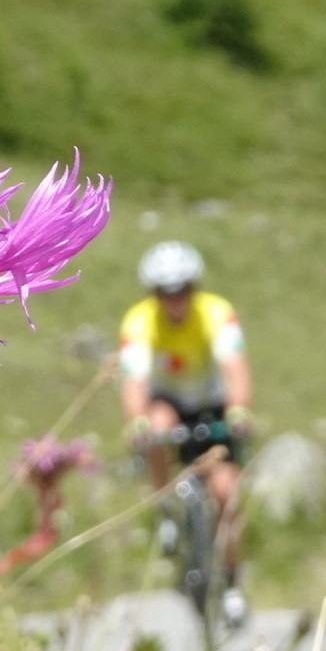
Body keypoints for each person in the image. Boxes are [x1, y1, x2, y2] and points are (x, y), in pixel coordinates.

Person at [119, 240, 254, 629]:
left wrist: (239, 409)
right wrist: (136, 420)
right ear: (154, 293)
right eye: (165, 291)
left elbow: (235, 367)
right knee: (157, 425)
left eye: (182, 290)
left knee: (227, 493)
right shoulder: (139, 321)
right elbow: (133, 379)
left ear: (193, 288)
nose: (174, 300)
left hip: (212, 406)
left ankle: (231, 583)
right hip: (168, 401)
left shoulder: (217, 312)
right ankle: (165, 507)